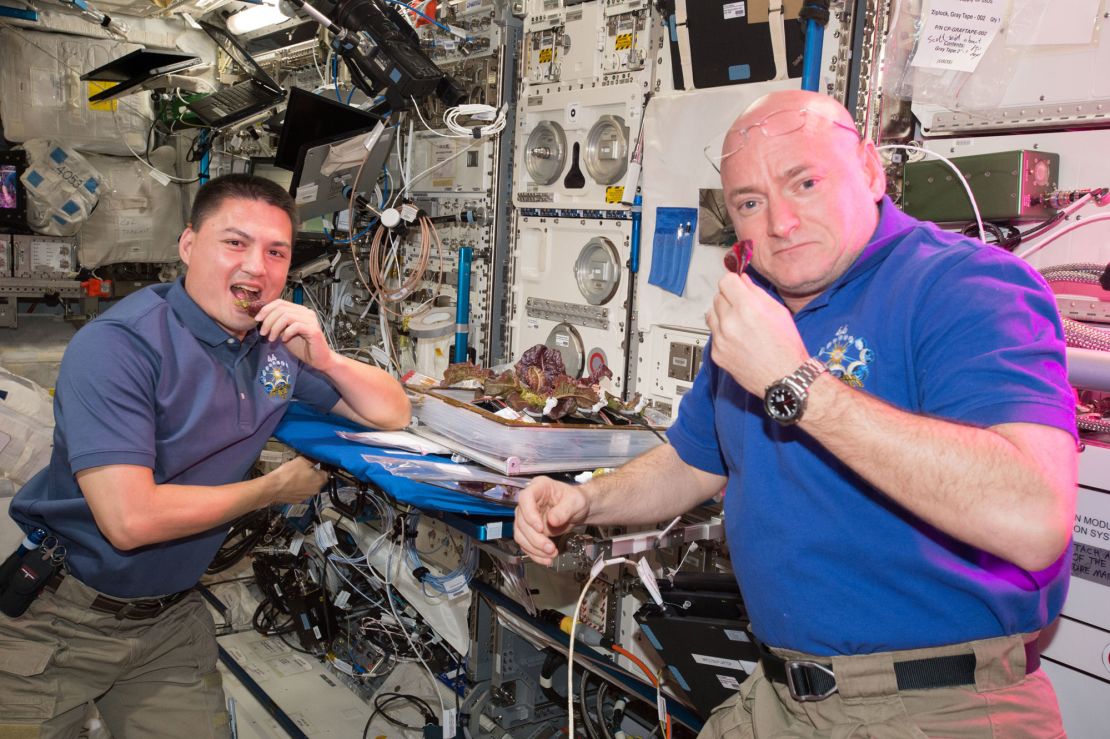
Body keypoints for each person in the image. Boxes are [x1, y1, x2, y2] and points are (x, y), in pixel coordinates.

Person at [514, 89, 1077, 737]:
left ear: (870, 170)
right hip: (782, 693)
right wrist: (586, 502)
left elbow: (1032, 518)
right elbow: (697, 460)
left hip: (934, 703)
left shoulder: (963, 288)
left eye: (804, 182)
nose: (780, 222)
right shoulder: (760, 305)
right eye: (750, 202)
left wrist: (793, 380)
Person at [0, 174, 411, 737]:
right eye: (234, 243)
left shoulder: (274, 348)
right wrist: (273, 489)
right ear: (189, 246)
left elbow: (392, 413)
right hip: (63, 617)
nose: (256, 267)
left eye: (276, 252)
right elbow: (130, 521)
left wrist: (328, 359)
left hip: (168, 618)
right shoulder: (120, 346)